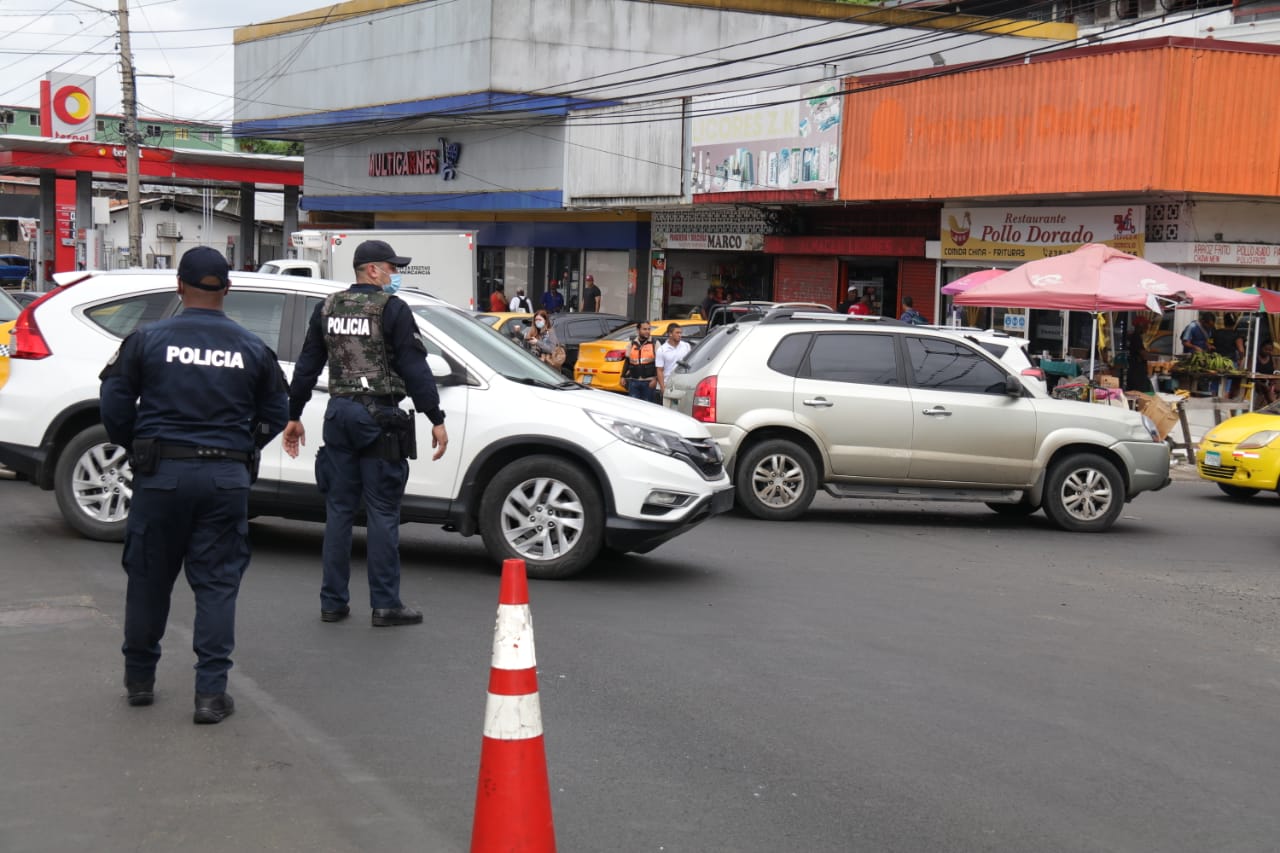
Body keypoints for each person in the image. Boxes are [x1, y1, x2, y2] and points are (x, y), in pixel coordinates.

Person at [99, 246, 289, 725]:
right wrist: (243, 446)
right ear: (228, 289)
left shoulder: (146, 340)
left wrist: (138, 446)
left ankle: (139, 681)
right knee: (217, 585)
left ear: (179, 285)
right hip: (225, 479)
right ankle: (209, 695)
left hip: (161, 476)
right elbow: (275, 413)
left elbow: (114, 404)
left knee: (148, 578)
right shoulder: (252, 348)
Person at [282, 239, 448, 629]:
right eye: (392, 268)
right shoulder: (393, 309)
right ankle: (386, 604)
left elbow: (307, 366)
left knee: (339, 511)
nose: (395, 275)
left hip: (339, 414)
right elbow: (415, 368)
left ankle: (332, 602)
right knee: (383, 512)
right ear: (372, 270)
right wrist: (435, 418)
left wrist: (294, 414)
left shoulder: (327, 308)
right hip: (379, 419)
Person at [621, 320, 659, 403]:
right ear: (638, 330)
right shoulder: (632, 344)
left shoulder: (655, 343)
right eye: (644, 329)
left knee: (648, 406)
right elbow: (627, 361)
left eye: (649, 329)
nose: (647, 331)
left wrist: (655, 379)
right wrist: (622, 376)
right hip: (634, 381)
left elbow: (659, 363)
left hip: (649, 382)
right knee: (634, 405)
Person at [655, 324, 692, 399]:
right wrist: (662, 387)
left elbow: (690, 364)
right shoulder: (662, 350)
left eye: (680, 333)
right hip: (668, 384)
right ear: (670, 334)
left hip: (682, 384)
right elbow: (659, 370)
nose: (680, 335)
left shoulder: (686, 346)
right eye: (677, 333)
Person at [1124, 315, 1153, 393]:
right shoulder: (1136, 337)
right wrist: (1150, 355)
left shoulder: (1135, 336)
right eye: (1146, 325)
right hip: (1137, 369)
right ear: (1140, 326)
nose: (1147, 328)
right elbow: (1142, 353)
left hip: (1134, 367)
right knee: (1138, 391)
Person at [1255, 341, 1278, 406]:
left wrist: (1272, 382)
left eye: (1270, 350)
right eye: (1266, 349)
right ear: (1261, 348)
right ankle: (1273, 405)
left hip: (1268, 381)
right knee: (1266, 389)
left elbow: (1275, 371)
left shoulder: (1272, 359)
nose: (1268, 351)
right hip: (1256, 381)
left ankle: (1274, 406)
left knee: (1271, 389)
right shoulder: (1254, 358)